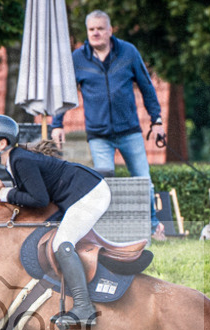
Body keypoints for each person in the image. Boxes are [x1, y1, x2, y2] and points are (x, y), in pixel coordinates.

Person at [0, 114, 108, 330]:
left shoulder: (20, 160)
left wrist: (5, 194)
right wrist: (7, 190)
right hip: (79, 193)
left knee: (61, 244)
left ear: (2, 143)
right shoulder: (14, 160)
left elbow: (39, 200)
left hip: (89, 194)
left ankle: (84, 308)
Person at [50, 9, 165, 240]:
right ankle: (111, 233)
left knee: (143, 181)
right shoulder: (78, 58)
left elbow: (147, 87)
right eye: (91, 29)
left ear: (110, 30)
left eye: (100, 29)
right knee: (104, 185)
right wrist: (57, 124)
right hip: (98, 135)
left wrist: (157, 120)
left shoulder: (128, 52)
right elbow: (65, 93)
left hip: (130, 131)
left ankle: (153, 229)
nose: (95, 33)